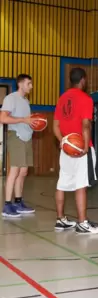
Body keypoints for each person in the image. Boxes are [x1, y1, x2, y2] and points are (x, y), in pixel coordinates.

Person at [53, 68, 98, 234]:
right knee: (81, 185)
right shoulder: (85, 98)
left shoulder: (62, 98)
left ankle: (60, 220)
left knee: (62, 183)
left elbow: (55, 126)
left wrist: (63, 141)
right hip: (81, 147)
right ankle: (82, 223)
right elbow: (85, 124)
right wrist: (84, 147)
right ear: (83, 79)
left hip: (66, 148)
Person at [0, 74, 37, 217]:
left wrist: (34, 123)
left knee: (23, 172)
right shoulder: (11, 98)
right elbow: (2, 118)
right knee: (14, 171)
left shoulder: (26, 101)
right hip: (16, 137)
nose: (31, 86)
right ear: (21, 84)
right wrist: (23, 120)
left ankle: (18, 202)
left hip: (27, 138)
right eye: (29, 83)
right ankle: (7, 206)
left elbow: (27, 121)